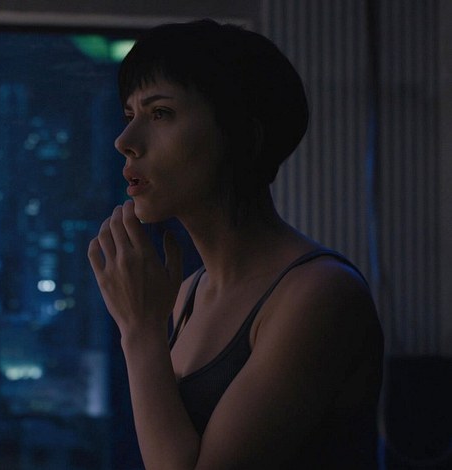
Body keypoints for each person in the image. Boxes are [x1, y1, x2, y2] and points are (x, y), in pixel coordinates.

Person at [88, 20, 383, 469]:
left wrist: (140, 331)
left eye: (160, 113)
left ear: (242, 134)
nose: (124, 141)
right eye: (130, 117)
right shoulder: (187, 295)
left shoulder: (320, 294)